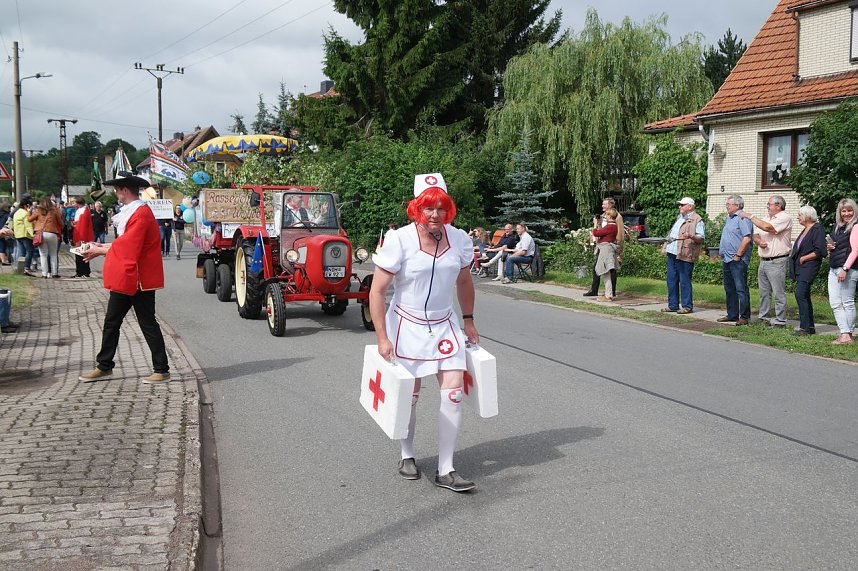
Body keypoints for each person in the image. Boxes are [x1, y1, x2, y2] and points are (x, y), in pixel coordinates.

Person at [369, 172, 479, 493]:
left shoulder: (458, 239)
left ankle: (446, 469)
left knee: (454, 391)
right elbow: (377, 292)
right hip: (407, 324)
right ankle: (407, 455)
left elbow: (464, 282)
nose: (435, 214)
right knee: (410, 395)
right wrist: (382, 337)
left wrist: (468, 319)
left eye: (440, 208)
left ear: (448, 209)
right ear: (417, 208)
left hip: (444, 324)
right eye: (428, 207)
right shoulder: (398, 240)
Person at [78, 172, 170, 384]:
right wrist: (101, 246)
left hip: (139, 278)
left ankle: (161, 369)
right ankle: (104, 366)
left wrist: (99, 250)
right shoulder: (134, 212)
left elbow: (130, 246)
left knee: (147, 323)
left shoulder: (141, 213)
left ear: (125, 190)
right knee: (112, 321)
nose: (116, 193)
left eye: (117, 190)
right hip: (129, 276)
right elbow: (125, 243)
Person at [740, 195, 792, 328]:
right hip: (763, 259)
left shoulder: (784, 218)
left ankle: (781, 321)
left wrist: (750, 216)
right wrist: (759, 241)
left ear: (778, 206)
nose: (767, 206)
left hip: (777, 260)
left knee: (778, 292)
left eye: (769, 204)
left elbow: (768, 228)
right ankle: (764, 318)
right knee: (764, 292)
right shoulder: (766, 217)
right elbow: (755, 234)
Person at [660, 197, 704, 314]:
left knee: (684, 280)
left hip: (685, 253)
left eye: (682, 205)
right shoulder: (680, 218)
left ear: (690, 206)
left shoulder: (697, 220)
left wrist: (691, 236)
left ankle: (687, 306)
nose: (679, 207)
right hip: (673, 253)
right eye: (679, 205)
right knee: (671, 280)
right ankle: (673, 305)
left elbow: (701, 238)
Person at [789, 206, 826, 335]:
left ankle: (804, 327)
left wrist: (804, 258)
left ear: (808, 216)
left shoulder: (817, 229)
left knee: (800, 294)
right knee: (804, 295)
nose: (798, 217)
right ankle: (810, 327)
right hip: (801, 267)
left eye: (800, 214)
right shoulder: (805, 230)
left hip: (809, 266)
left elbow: (820, 250)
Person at [717, 195, 754, 325]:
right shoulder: (730, 218)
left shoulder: (742, 218)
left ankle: (744, 316)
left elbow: (747, 238)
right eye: (727, 203)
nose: (727, 206)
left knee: (741, 288)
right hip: (727, 259)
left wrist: (738, 255)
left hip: (737, 259)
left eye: (729, 204)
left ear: (737, 205)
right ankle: (732, 314)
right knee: (729, 288)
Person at [826, 198, 858, 345]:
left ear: (854, 211)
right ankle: (845, 333)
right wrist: (831, 247)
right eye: (843, 211)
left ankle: (847, 334)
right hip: (834, 267)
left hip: (847, 269)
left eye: (849, 210)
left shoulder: (855, 227)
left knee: (847, 302)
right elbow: (838, 246)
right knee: (835, 302)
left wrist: (845, 268)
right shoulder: (838, 227)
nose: (846, 214)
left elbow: (855, 250)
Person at [584, 198, 624, 296]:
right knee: (596, 268)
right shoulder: (602, 216)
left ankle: (611, 292)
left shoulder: (617, 217)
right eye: (602, 204)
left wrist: (618, 246)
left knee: (611, 269)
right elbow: (599, 230)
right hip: (601, 245)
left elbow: (620, 231)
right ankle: (594, 290)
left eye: (605, 204)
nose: (602, 206)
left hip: (610, 245)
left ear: (611, 205)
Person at [28, 197, 64, 279]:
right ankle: (54, 273)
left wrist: (29, 212)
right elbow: (61, 224)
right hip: (52, 233)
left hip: (41, 234)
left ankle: (44, 274)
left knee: (43, 255)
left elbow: (29, 219)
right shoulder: (55, 211)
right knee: (53, 254)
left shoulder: (38, 211)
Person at [590, 208, 619, 301]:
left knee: (605, 271)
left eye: (606, 215)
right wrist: (599, 224)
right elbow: (603, 233)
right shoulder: (613, 226)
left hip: (606, 250)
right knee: (605, 272)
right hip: (607, 249)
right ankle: (608, 294)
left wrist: (595, 224)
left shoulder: (610, 226)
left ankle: (608, 295)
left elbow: (596, 233)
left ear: (610, 216)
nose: (605, 216)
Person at [12, 194, 35, 276]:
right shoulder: (25, 213)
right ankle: (27, 268)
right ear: (27, 205)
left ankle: (20, 268)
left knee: (21, 252)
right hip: (25, 235)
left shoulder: (16, 213)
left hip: (18, 235)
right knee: (30, 251)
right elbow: (28, 225)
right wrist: (33, 235)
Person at [72, 196, 94, 278]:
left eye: (74, 202)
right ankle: (83, 271)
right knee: (81, 254)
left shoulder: (84, 211)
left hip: (81, 236)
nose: (73, 204)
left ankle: (82, 271)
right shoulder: (82, 210)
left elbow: (83, 225)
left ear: (78, 203)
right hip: (81, 235)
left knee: (80, 254)